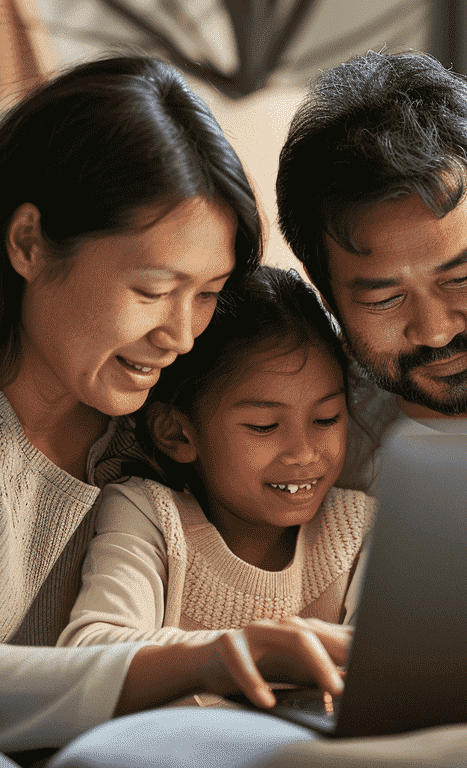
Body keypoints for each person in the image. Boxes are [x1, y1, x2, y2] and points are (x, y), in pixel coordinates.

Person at [0, 55, 347, 758]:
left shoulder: (171, 422)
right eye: (153, 290)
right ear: (30, 242)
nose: (182, 335)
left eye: (208, 292)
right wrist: (206, 657)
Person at [275, 50, 467, 493]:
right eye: (383, 299)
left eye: (462, 276)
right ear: (325, 291)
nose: (436, 332)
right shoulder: (320, 445)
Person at [57, 265, 376, 652]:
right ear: (178, 434)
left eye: (326, 419)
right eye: (264, 426)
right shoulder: (149, 516)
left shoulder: (360, 529)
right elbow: (92, 648)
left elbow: (392, 660)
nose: (304, 452)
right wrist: (256, 652)